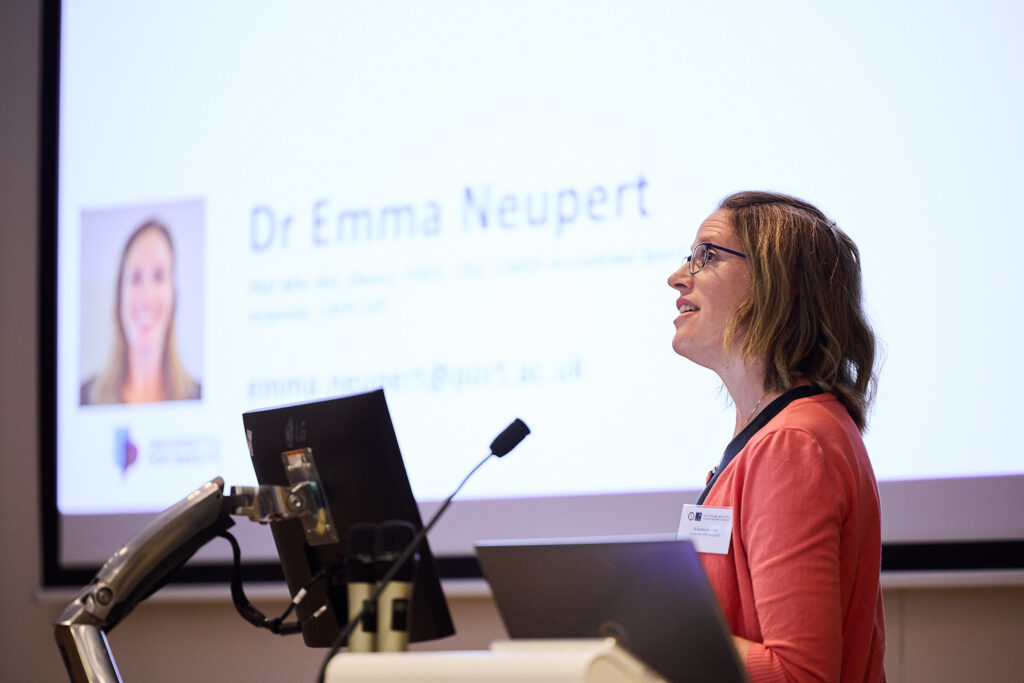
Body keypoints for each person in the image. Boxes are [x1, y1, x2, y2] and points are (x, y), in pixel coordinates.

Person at [668, 191, 886, 682]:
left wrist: (657, 637)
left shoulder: (792, 444)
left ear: (776, 284)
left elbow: (800, 674)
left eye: (707, 256)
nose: (677, 276)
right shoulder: (780, 432)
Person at [81, 219, 201, 405]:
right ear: (119, 293)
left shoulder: (198, 396)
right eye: (135, 278)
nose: (146, 295)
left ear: (173, 294)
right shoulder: (85, 397)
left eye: (158, 277)